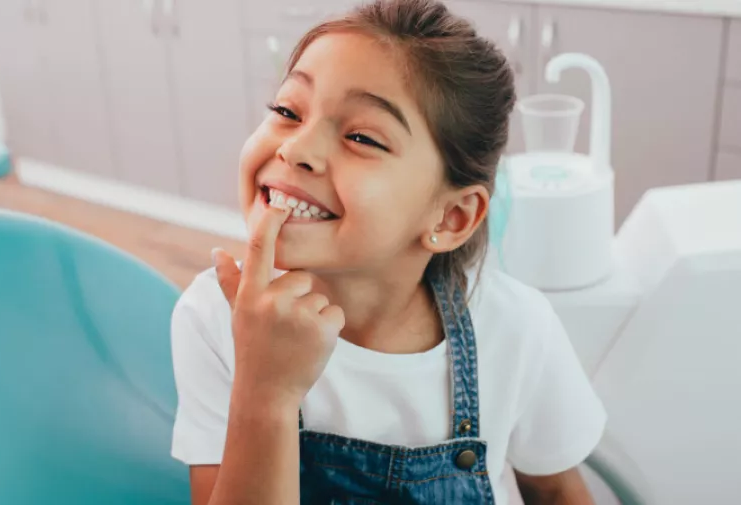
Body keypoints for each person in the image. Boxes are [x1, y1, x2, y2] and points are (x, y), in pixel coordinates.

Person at [169, 0, 606, 503]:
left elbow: (557, 492)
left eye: (361, 137)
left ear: (451, 217)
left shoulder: (517, 329)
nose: (295, 149)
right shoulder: (215, 318)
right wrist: (265, 393)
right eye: (288, 111)